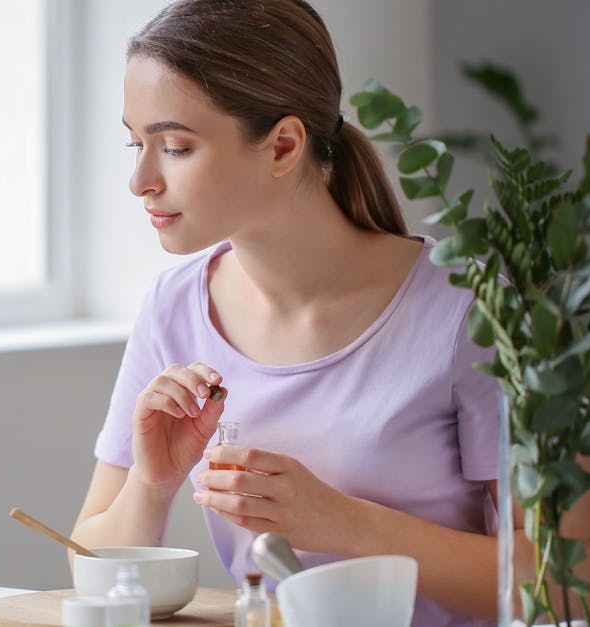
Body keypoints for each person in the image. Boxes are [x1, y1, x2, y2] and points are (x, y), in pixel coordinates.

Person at [69, 1, 534, 625]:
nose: (140, 180)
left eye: (175, 147)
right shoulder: (172, 308)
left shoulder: (467, 308)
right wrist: (150, 483)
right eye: (136, 143)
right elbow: (87, 563)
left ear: (284, 145)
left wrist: (347, 524)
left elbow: (560, 582)